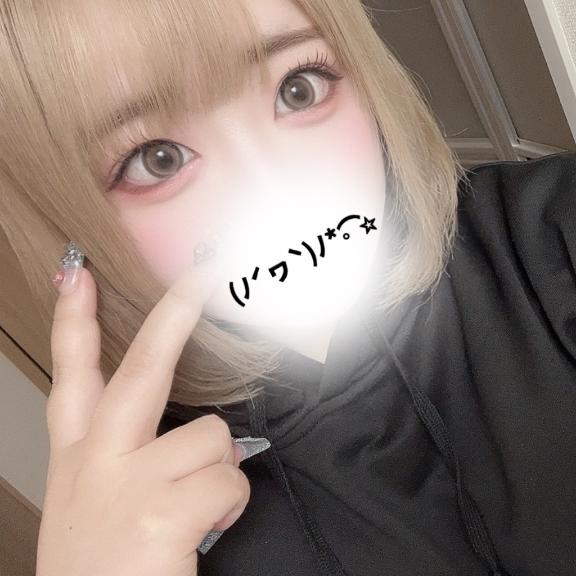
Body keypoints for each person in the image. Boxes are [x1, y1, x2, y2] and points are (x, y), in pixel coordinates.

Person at [0, 0, 574, 575]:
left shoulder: (549, 235)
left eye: (299, 89)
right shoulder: (150, 517)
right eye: (158, 160)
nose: (273, 185)